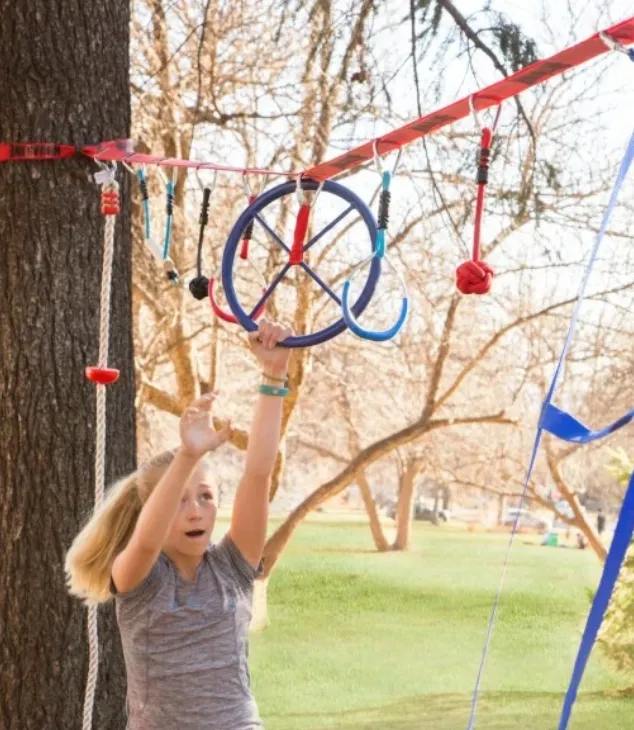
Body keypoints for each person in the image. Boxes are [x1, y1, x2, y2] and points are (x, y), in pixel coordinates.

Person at [65, 318, 293, 730]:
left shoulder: (233, 567)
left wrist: (274, 375)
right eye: (180, 500)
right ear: (152, 509)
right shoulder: (139, 579)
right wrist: (187, 457)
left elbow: (258, 473)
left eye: (206, 496)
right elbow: (147, 543)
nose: (195, 511)